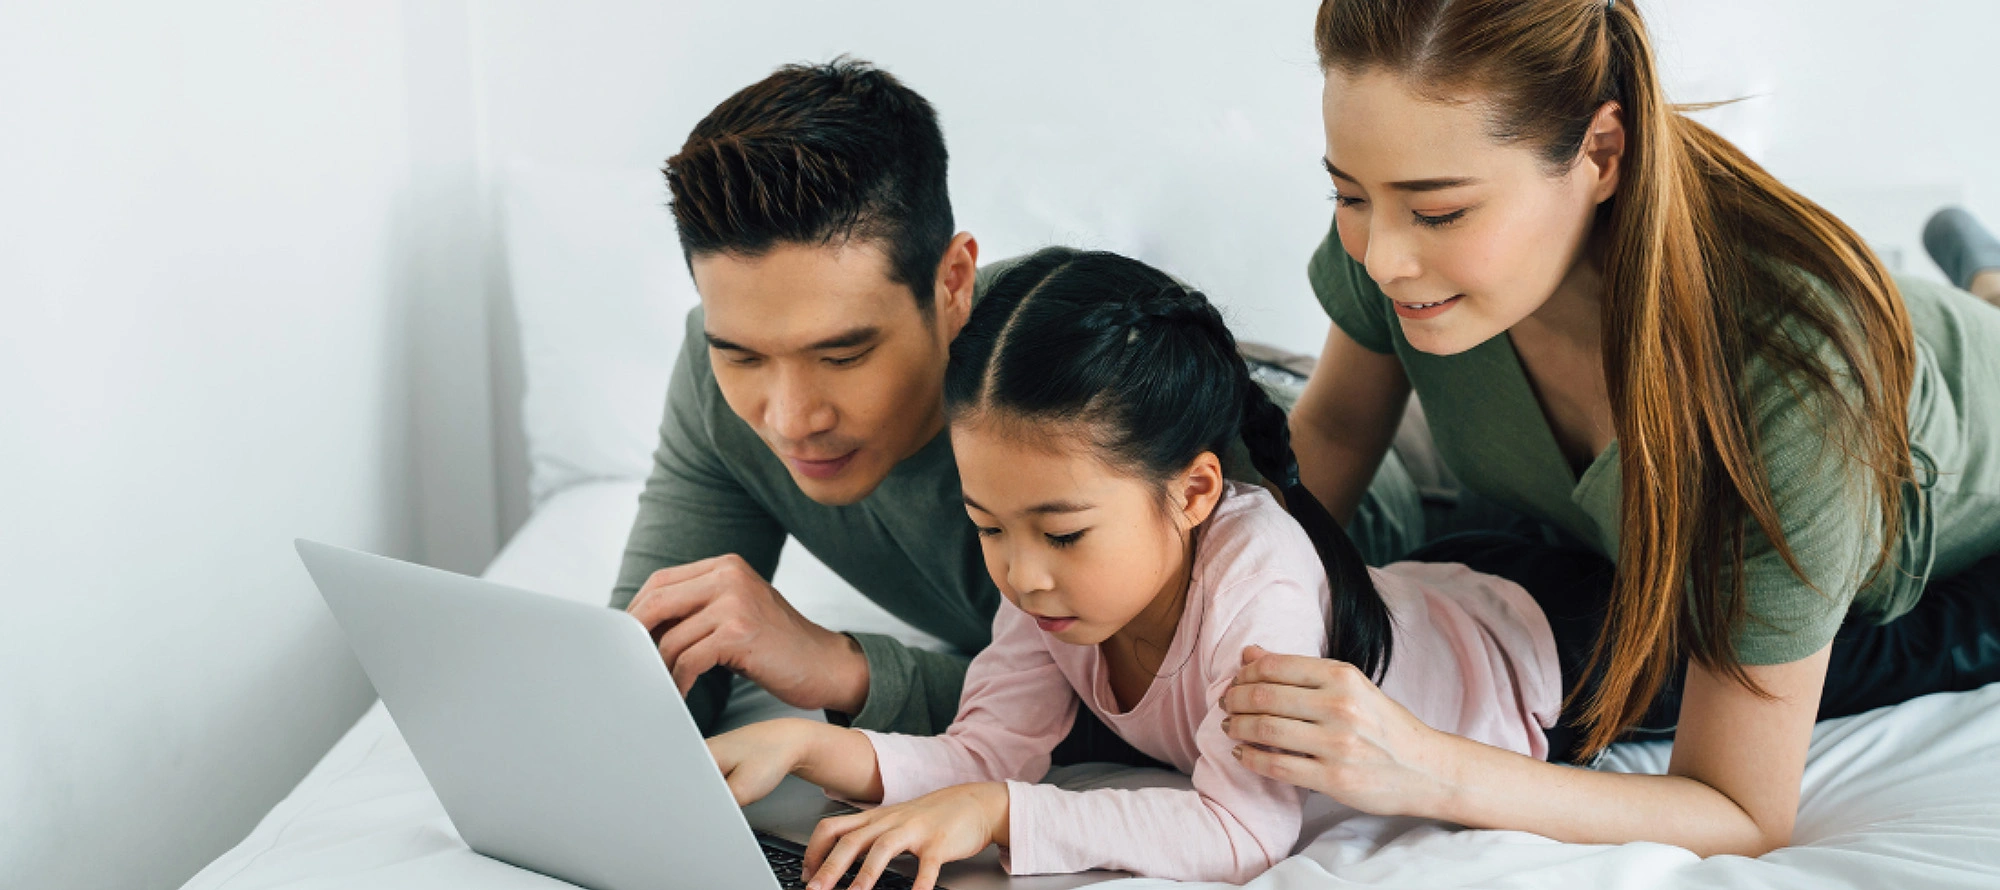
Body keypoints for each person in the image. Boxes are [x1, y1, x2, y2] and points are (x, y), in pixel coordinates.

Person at [1223, 0, 2000, 858]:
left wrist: (1418, 763)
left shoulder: (1786, 393)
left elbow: (1739, 809)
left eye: (1439, 213)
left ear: (1601, 153)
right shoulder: (1400, 234)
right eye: (1347, 193)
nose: (1381, 257)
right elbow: (1330, 431)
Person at [611, 58, 1426, 752]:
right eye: (742, 354)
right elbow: (650, 665)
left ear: (953, 284)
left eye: (844, 354)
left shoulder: (1090, 379)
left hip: (1375, 468)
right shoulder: (711, 379)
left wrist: (846, 669)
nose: (790, 417)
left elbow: (1171, 713)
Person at [703, 250, 1562, 889]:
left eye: (1064, 534)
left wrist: (1006, 813)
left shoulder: (1255, 584)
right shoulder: (1049, 596)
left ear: (1193, 493)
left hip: (1552, 645)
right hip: (1436, 594)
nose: (1023, 575)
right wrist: (809, 746)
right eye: (987, 527)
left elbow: (1242, 830)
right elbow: (985, 750)